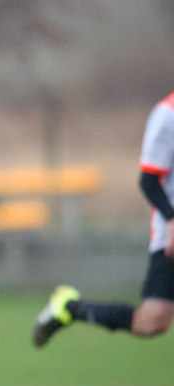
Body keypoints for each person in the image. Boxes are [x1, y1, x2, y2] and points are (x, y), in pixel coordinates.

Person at [33, 91, 174, 347]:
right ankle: (70, 308)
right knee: (151, 322)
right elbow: (149, 180)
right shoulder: (167, 114)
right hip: (170, 236)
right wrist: (171, 218)